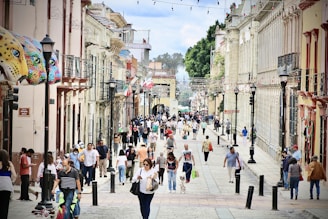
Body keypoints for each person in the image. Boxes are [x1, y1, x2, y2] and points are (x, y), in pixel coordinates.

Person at [0, 149, 17, 219]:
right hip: (7, 186)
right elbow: (14, 176)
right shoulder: (9, 164)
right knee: (5, 205)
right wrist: (12, 181)